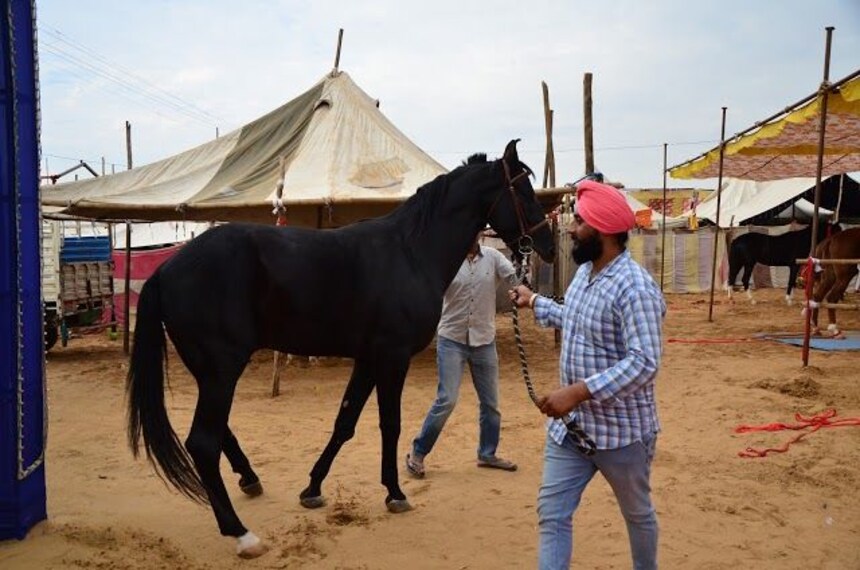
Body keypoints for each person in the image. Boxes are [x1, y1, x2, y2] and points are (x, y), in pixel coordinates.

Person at [510, 180, 666, 570]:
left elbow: (645, 361)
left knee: (637, 514)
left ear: (604, 231)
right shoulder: (584, 274)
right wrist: (535, 302)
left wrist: (578, 391)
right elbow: (578, 321)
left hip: (622, 434)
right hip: (571, 429)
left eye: (579, 222)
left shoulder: (635, 288)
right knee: (552, 514)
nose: (571, 228)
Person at [406, 233, 519, 478]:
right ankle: (418, 452)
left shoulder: (493, 257)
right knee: (446, 399)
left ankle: (487, 453)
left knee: (491, 403)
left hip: (484, 339)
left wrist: (521, 288)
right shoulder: (446, 260)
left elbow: (513, 278)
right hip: (452, 340)